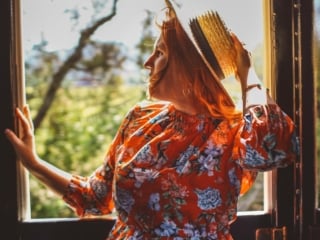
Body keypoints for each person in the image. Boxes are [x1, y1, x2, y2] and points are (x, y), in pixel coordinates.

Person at [5, 0, 298, 239]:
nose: (147, 62)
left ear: (187, 66)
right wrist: (33, 163)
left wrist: (247, 72)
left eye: (159, 52)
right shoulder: (140, 118)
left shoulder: (233, 131)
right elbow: (96, 197)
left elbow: (274, 149)